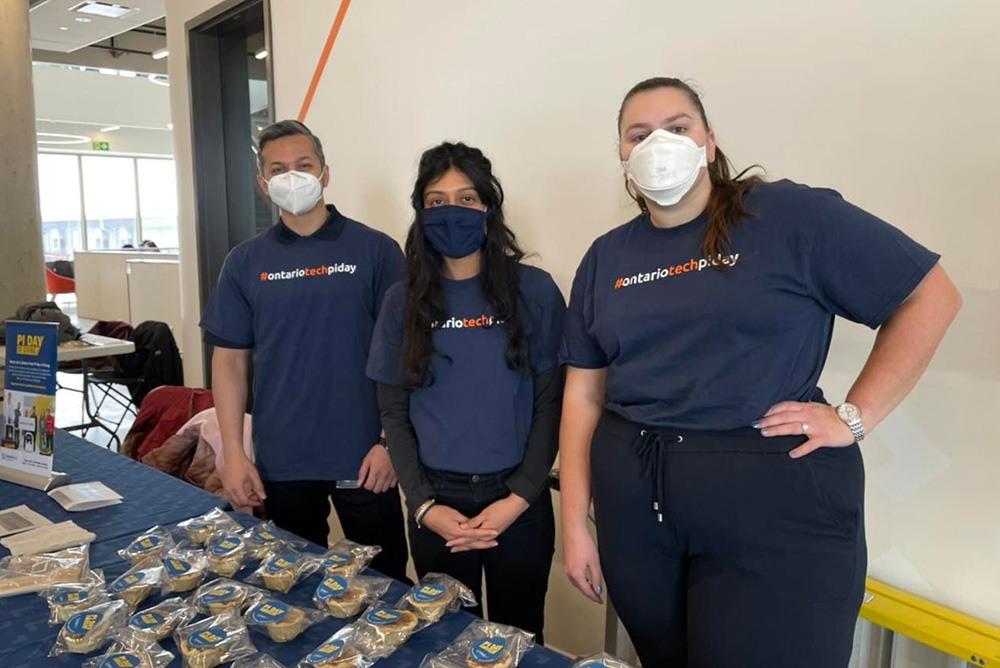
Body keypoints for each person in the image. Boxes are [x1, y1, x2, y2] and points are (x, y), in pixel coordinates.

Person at [558, 77, 962, 668]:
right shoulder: (606, 257)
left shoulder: (788, 215)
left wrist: (854, 416)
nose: (658, 144)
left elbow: (930, 296)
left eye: (677, 128)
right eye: (638, 135)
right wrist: (574, 524)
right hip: (638, 510)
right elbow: (584, 396)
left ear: (710, 142)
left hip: (774, 503)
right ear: (622, 156)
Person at [367, 142, 565, 640]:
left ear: (488, 209)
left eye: (466, 198)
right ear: (420, 212)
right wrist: (424, 506)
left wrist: (517, 499)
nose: (450, 212)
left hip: (518, 503)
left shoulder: (535, 291)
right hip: (436, 503)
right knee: (445, 639)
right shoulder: (402, 301)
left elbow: (551, 404)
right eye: (436, 202)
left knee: (517, 638)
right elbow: (394, 412)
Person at [200, 120, 410, 582]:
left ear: (325, 173)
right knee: (290, 585)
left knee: (386, 585)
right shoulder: (245, 262)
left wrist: (390, 442)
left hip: (363, 456)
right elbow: (229, 360)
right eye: (278, 169)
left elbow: (405, 354)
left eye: (304, 165)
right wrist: (234, 453)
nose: (292, 176)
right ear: (263, 184)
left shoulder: (376, 251)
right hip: (282, 459)